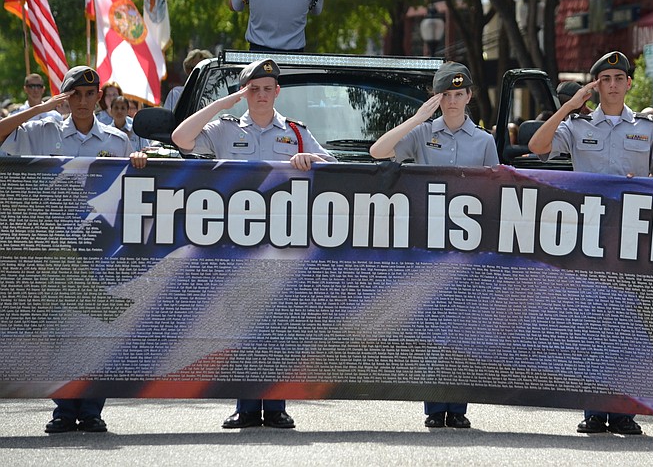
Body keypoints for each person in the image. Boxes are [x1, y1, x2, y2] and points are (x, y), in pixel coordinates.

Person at [171, 58, 336, 429]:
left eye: (267, 88)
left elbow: (335, 167)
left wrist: (312, 159)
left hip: (282, 247)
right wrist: (222, 103)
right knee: (241, 326)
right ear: (245, 92)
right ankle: (246, 406)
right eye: (253, 89)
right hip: (236, 244)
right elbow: (181, 139)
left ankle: (275, 406)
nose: (261, 95)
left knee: (278, 326)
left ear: (278, 91)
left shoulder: (295, 132)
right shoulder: (225, 128)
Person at [528, 51, 653, 436]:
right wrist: (570, 105)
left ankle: (624, 411)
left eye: (618, 78)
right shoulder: (576, 125)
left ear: (627, 83)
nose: (612, 84)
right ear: (596, 85)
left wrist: (641, 185)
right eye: (604, 78)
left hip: (630, 239)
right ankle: (593, 409)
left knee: (627, 326)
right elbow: (540, 146)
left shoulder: (647, 127)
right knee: (590, 323)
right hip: (586, 237)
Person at [0, 65, 144, 434]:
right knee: (58, 332)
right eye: (74, 95)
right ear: (63, 98)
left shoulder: (116, 140)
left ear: (100, 97)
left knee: (95, 331)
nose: (82, 101)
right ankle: (64, 409)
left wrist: (139, 164)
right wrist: (41, 107)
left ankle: (92, 409)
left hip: (100, 249)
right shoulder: (39, 131)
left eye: (89, 95)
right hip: (50, 250)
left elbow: (132, 190)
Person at [370, 61, 498, 429]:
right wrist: (417, 118)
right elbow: (379, 152)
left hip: (467, 250)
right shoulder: (423, 133)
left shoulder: (484, 141)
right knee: (431, 329)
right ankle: (433, 407)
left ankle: (457, 409)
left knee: (462, 329)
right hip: (428, 247)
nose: (453, 101)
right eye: (446, 95)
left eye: (459, 94)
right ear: (436, 98)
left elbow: (495, 193)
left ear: (470, 96)